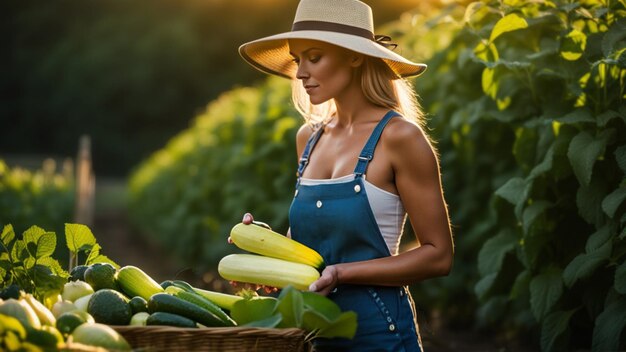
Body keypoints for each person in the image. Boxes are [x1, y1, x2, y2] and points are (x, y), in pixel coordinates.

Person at [237, 0, 454, 350]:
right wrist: (271, 249)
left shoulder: (400, 138)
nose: (301, 72)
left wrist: (343, 273)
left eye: (314, 56)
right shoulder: (308, 138)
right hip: (313, 334)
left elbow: (438, 255)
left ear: (354, 56)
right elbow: (311, 250)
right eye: (297, 60)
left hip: (379, 334)